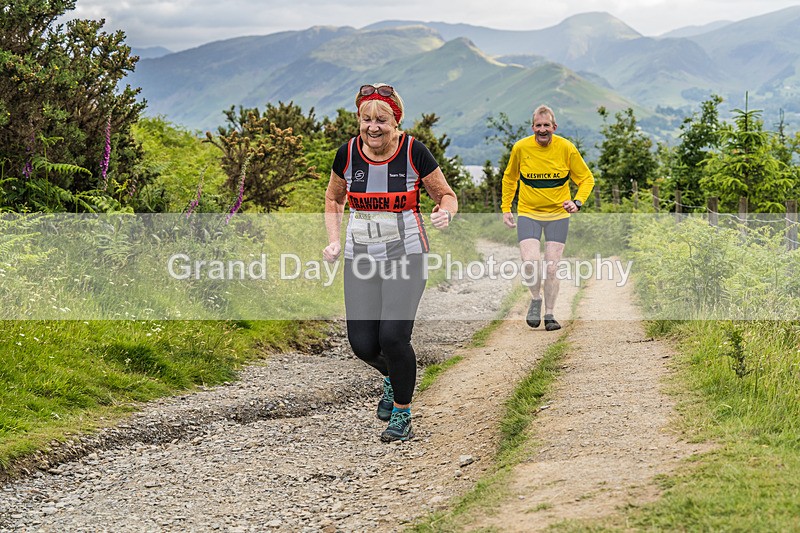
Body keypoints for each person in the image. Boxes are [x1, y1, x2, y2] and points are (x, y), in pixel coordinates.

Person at [323, 83, 458, 442]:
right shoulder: (347, 154)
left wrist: (444, 212)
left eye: (381, 119)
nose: (373, 127)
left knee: (394, 337)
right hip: (360, 258)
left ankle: (402, 413)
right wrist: (334, 240)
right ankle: (395, 376)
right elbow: (334, 199)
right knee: (363, 344)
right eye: (366, 119)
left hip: (407, 256)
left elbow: (446, 194)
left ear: (395, 121)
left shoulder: (415, 152)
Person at [501, 104, 594, 331]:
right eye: (538, 125)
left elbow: (587, 179)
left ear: (554, 127)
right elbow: (510, 178)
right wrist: (506, 208)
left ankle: (550, 314)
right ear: (533, 127)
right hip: (528, 213)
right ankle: (535, 299)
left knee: (551, 268)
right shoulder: (521, 148)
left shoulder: (566, 148)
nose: (543, 130)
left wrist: (577, 202)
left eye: (547, 126)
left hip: (558, 215)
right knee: (531, 263)